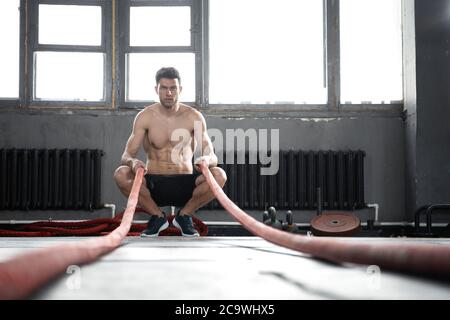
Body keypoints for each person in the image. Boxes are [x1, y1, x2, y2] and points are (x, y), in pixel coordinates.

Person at [114, 67, 227, 237]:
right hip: (154, 184)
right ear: (156, 89)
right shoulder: (145, 117)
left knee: (219, 175)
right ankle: (157, 216)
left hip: (186, 184)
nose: (169, 93)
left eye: (173, 88)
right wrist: (133, 162)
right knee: (121, 174)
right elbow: (126, 156)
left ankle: (184, 215)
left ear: (179, 90)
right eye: (164, 88)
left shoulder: (193, 116)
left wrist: (205, 159)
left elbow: (212, 156)